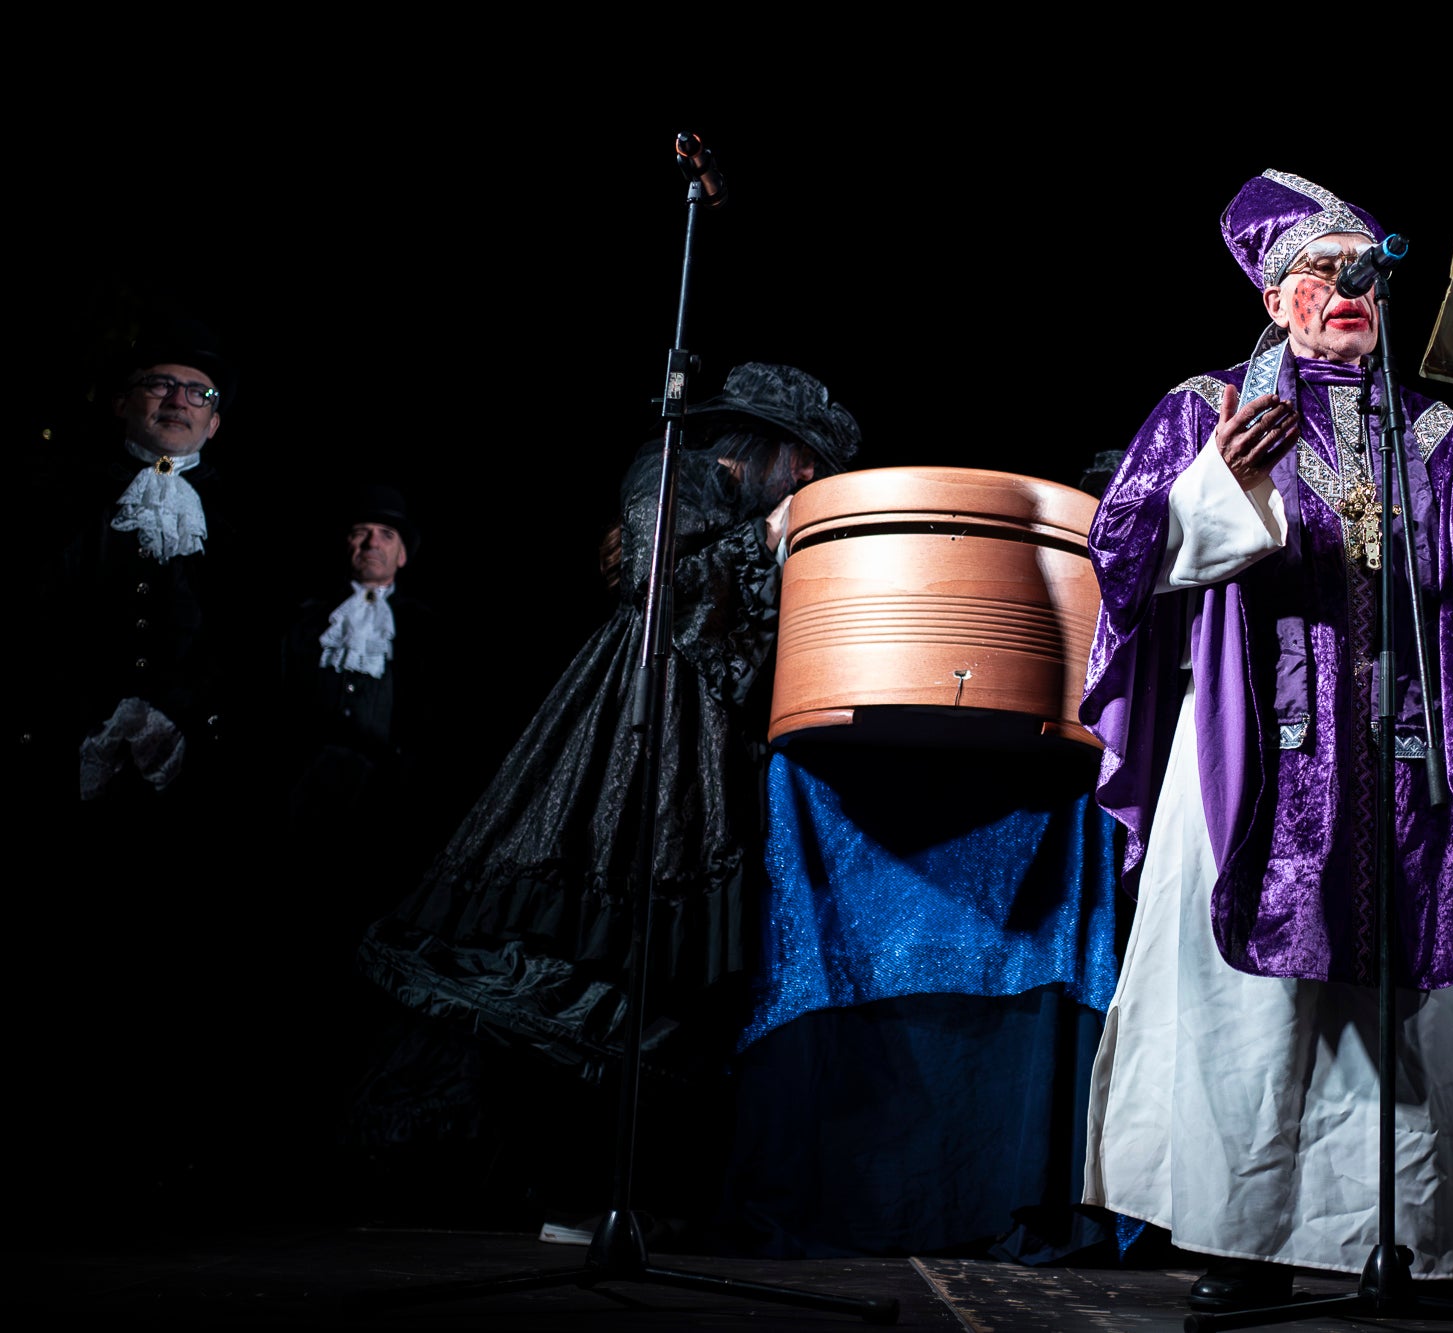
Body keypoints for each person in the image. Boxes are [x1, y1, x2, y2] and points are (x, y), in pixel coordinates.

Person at [1077, 170, 1453, 1310]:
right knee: (1250, 1015)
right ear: (1272, 294)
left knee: (1393, 1010)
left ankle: (1400, 1247)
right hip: (1251, 745)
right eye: (1320, 268)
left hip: (1394, 753)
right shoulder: (1203, 407)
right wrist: (1222, 484)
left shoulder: (1434, 430)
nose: (1349, 287)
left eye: (1364, 270)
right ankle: (1235, 1242)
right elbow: (1125, 555)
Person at [352, 363, 859, 1223]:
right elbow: (661, 586)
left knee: (684, 978)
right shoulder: (676, 467)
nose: (809, 479)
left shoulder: (763, 509)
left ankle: (631, 1192)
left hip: (720, 739)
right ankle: (543, 1184)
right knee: (598, 942)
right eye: (802, 458)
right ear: (766, 445)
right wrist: (770, 535)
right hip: (638, 722)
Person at [21, 315, 266, 1220]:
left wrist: (183, 714)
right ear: (125, 401)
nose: (179, 400)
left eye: (197, 393)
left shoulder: (241, 526)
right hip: (62, 773)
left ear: (215, 424)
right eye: (160, 385)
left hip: (187, 787)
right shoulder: (56, 498)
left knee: (172, 980)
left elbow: (252, 646)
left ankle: (159, 1179)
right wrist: (77, 720)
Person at [279, 484, 445, 915]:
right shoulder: (306, 616)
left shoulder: (424, 629)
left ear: (403, 555)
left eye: (387, 535)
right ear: (346, 543)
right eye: (362, 531)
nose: (373, 542)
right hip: (300, 789)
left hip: (386, 796)